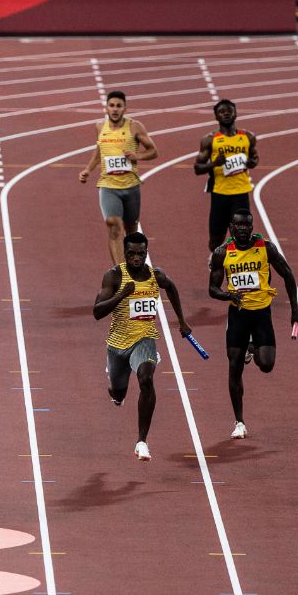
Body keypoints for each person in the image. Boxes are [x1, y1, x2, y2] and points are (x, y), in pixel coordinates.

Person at [92, 232, 191, 461]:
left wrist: (182, 321)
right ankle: (117, 391)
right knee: (119, 391)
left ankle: (141, 441)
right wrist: (121, 295)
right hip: (117, 345)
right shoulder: (114, 276)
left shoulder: (155, 276)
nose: (137, 258)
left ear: (146, 253)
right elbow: (97, 312)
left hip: (144, 339)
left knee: (146, 378)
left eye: (141, 253)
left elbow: (171, 287)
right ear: (124, 253)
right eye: (132, 253)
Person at [208, 209, 298, 439]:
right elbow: (212, 289)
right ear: (231, 227)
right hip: (238, 315)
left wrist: (295, 309)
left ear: (251, 227)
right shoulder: (222, 253)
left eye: (246, 226)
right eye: (237, 225)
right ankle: (239, 421)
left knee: (267, 364)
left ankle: (254, 346)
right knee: (234, 366)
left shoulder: (265, 247)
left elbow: (287, 274)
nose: (242, 229)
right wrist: (229, 296)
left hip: (261, 314)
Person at [78, 90, 159, 265]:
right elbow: (100, 150)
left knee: (131, 232)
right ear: (106, 108)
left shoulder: (135, 127)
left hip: (131, 187)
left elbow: (153, 151)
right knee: (114, 225)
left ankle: (133, 266)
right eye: (112, 106)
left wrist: (138, 157)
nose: (115, 109)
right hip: (108, 186)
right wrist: (88, 170)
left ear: (125, 108)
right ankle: (120, 271)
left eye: (119, 106)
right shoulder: (100, 127)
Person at [193, 99, 260, 252]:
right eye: (222, 112)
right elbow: (197, 168)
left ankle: (235, 266)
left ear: (235, 113)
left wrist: (251, 163)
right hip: (220, 194)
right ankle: (214, 259)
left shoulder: (248, 137)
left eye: (229, 110)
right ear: (216, 117)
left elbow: (255, 158)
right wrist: (214, 164)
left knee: (242, 236)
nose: (226, 114)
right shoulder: (210, 140)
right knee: (216, 239)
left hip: (241, 193)